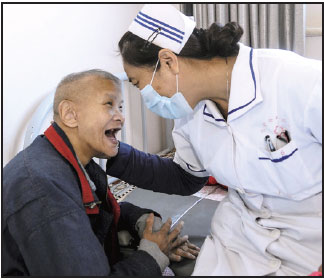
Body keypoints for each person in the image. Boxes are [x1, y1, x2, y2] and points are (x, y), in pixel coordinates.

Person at [105, 4, 322, 276]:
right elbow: (186, 178)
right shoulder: (190, 112)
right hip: (241, 238)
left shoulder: (299, 82)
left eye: (139, 84)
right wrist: (110, 154)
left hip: (312, 235)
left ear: (169, 61)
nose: (146, 96)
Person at [2, 69, 200, 276]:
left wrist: (141, 221)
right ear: (69, 114)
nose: (122, 117)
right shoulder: (42, 189)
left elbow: (87, 213)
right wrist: (153, 254)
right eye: (109, 105)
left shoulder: (66, 159)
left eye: (121, 107)